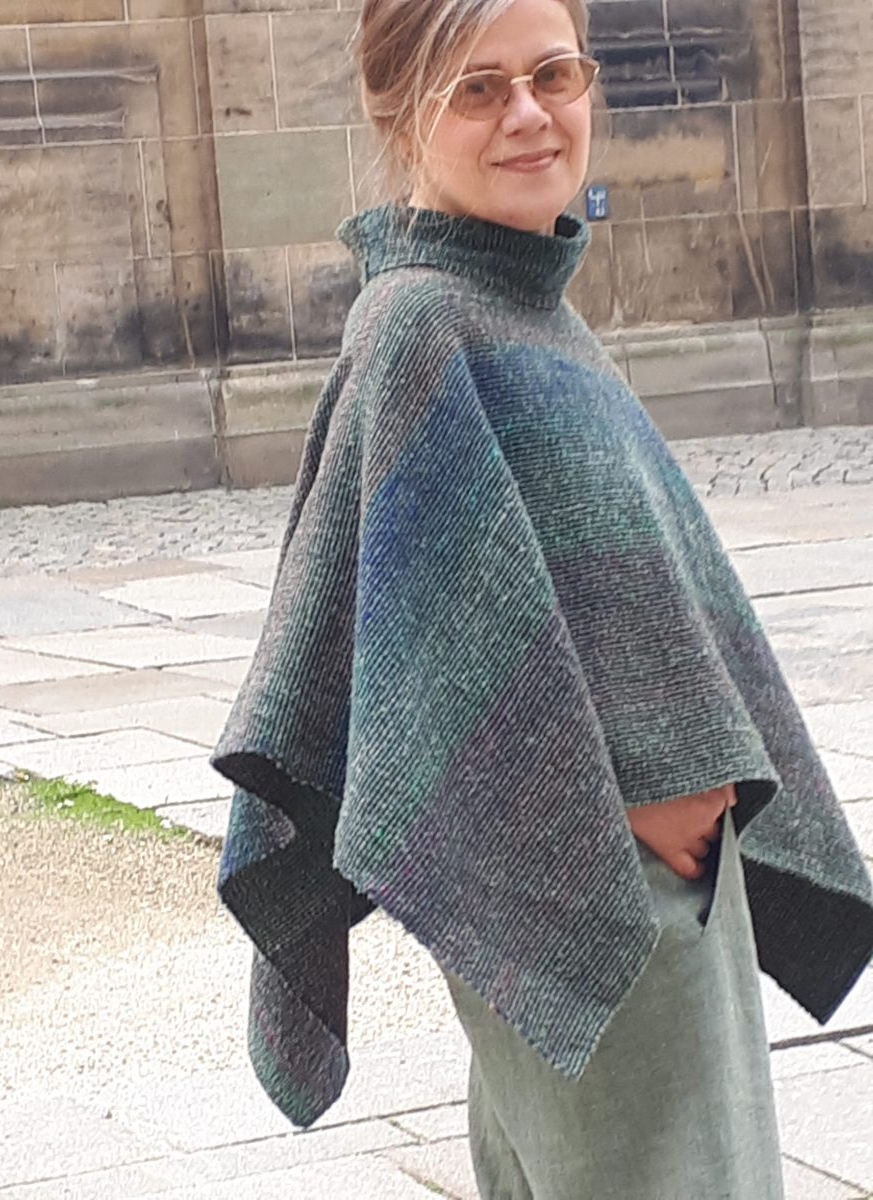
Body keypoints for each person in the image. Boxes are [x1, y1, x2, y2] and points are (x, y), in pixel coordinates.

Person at [211, 1, 873, 1197]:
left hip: (664, 900)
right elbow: (412, 674)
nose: (529, 114)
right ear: (398, 116)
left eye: (553, 75)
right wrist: (624, 804)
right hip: (592, 902)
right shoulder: (421, 326)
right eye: (479, 88)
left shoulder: (531, 307)